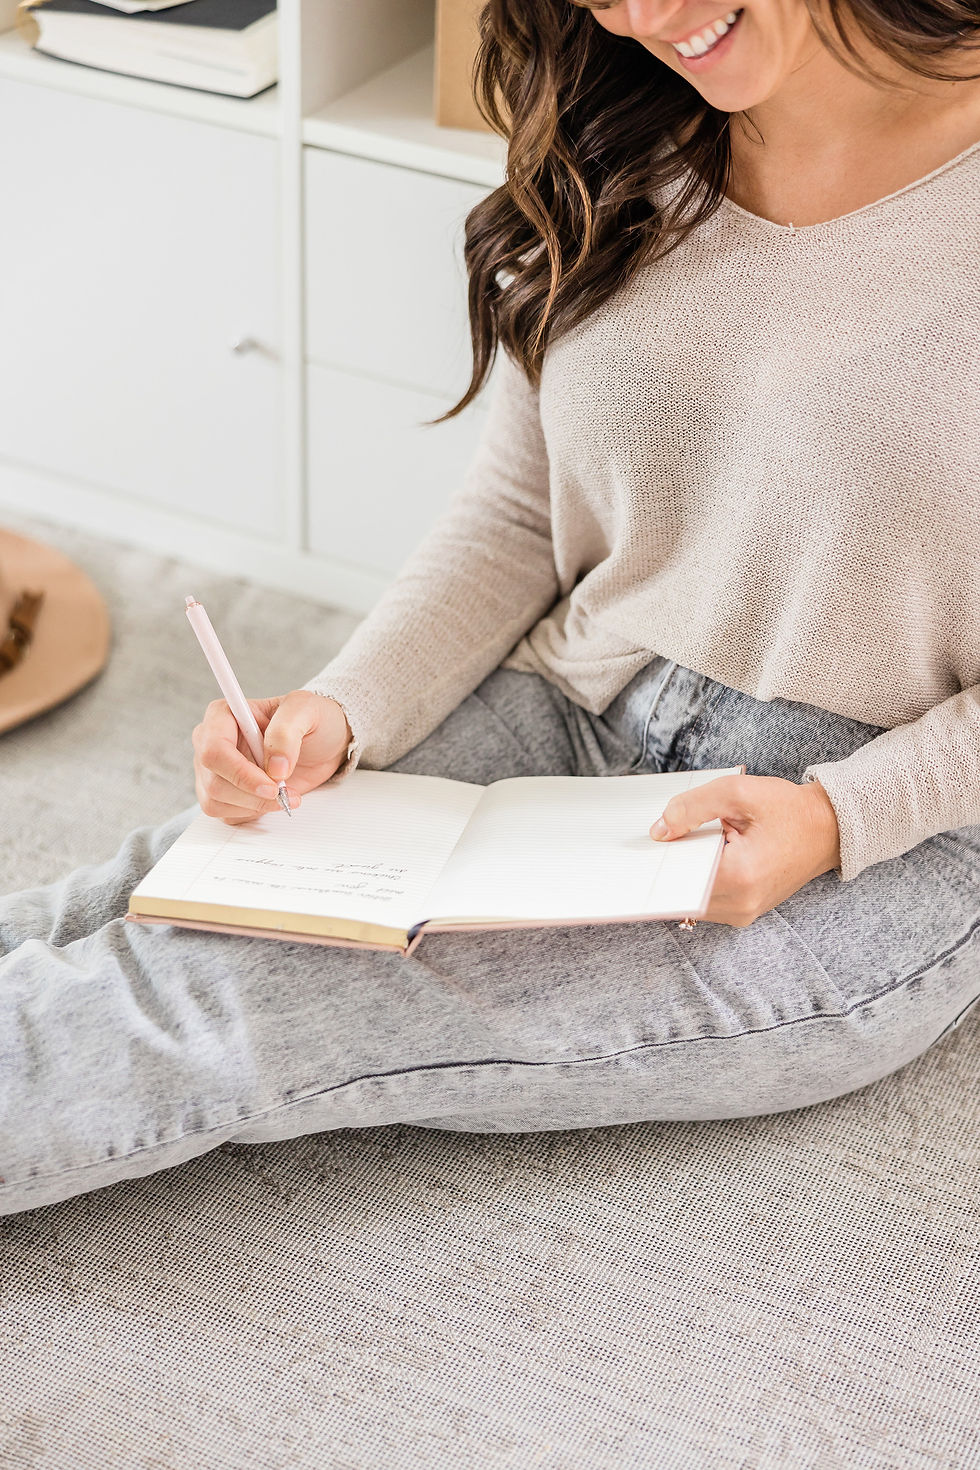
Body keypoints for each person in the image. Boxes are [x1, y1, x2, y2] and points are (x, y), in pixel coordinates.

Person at [3, 0, 980, 1217]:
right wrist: (342, 709)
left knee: (223, 1000)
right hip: (573, 690)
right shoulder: (622, 131)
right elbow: (521, 512)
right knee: (152, 885)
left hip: (866, 824)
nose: (641, 15)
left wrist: (837, 818)